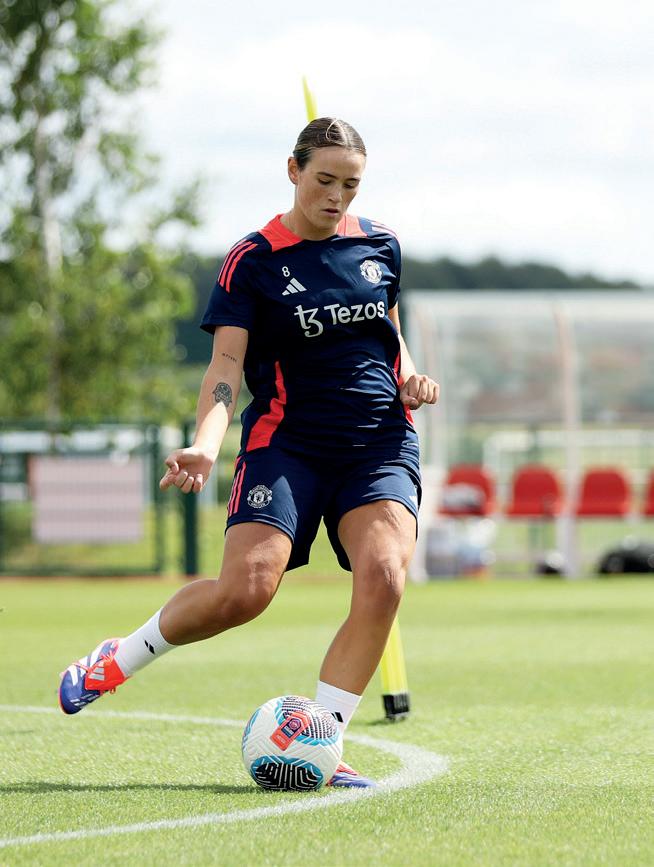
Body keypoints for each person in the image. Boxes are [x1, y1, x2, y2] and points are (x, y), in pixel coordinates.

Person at [58, 118, 439, 788]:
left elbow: (389, 334)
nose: (337, 197)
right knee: (245, 592)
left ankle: (324, 739)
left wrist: (410, 375)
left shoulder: (381, 244)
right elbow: (225, 366)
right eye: (325, 180)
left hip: (379, 441)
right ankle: (120, 657)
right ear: (293, 170)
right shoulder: (252, 260)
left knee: (384, 576)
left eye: (351, 185)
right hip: (288, 443)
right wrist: (207, 444)